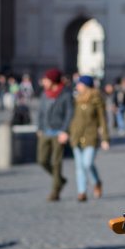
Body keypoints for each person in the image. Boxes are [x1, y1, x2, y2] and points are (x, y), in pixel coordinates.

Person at [68, 75, 110, 201]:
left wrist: (105, 138)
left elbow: (103, 120)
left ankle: (96, 182)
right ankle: (82, 192)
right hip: (76, 136)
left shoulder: (97, 99)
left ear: (85, 85)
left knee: (87, 163)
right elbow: (72, 118)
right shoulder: (76, 99)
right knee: (79, 166)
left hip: (91, 136)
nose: (77, 86)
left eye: (79, 84)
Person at [36, 68, 74, 201]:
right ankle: (60, 180)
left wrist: (65, 131)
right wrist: (39, 128)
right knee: (42, 160)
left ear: (52, 80)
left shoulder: (66, 94)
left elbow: (70, 114)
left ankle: (55, 191)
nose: (44, 82)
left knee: (57, 162)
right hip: (46, 131)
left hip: (59, 132)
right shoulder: (44, 94)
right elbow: (40, 112)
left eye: (46, 80)